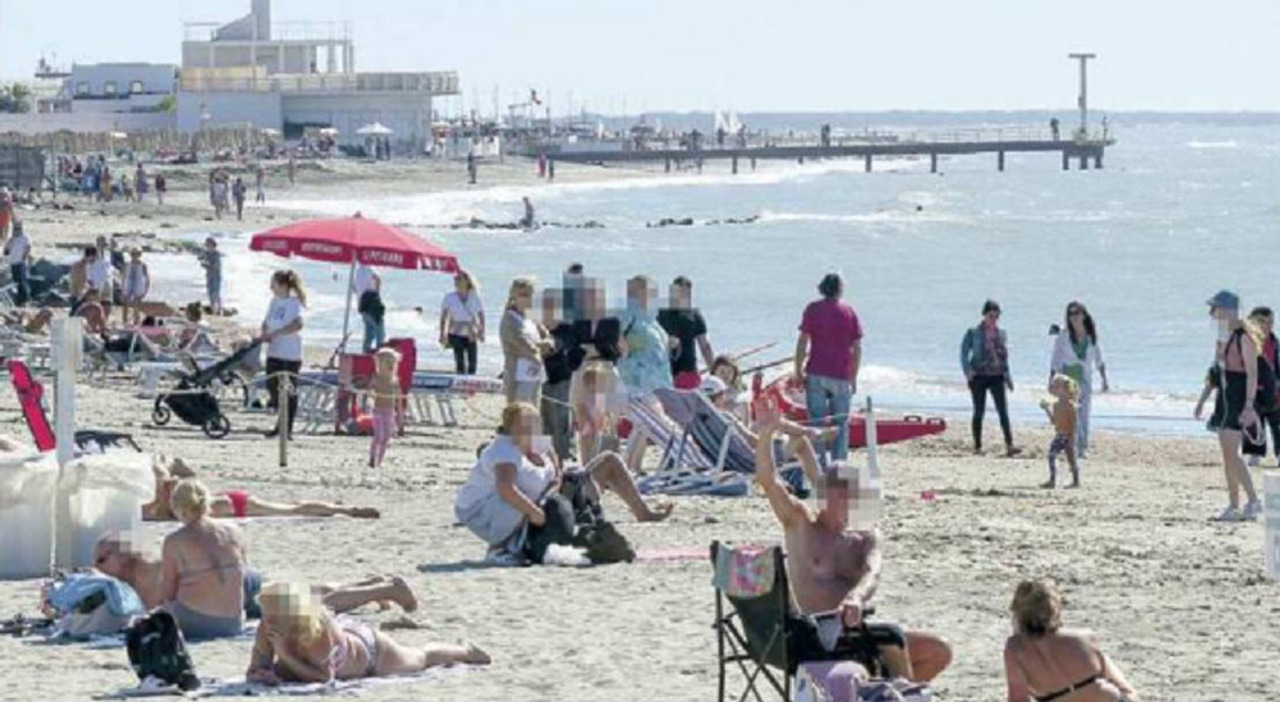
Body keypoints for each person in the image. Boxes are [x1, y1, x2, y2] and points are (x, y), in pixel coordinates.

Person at [753, 405, 952, 683]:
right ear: (823, 494)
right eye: (837, 494)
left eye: (849, 494)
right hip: (816, 637)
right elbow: (768, 480)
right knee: (892, 638)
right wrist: (766, 434)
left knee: (938, 651)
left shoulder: (864, 538)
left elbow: (873, 572)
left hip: (858, 632)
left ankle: (887, 693)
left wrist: (856, 596)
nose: (844, 501)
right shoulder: (801, 523)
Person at [453, 403, 671, 563]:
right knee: (520, 501)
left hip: (547, 497)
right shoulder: (505, 452)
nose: (531, 430)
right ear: (510, 429)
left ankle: (642, 512)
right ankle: (502, 547)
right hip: (490, 510)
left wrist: (557, 481)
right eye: (524, 426)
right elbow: (505, 488)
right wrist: (534, 513)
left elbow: (556, 474)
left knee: (609, 461)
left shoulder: (540, 446)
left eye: (534, 425)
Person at [95, 536, 417, 623]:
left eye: (102, 560)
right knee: (309, 590)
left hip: (233, 590)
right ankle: (368, 585)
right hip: (235, 580)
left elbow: (164, 607)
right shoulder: (141, 569)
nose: (98, 567)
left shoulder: (149, 572)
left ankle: (387, 588)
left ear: (123, 558)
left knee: (312, 604)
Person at [246, 582, 488, 686]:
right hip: (349, 637)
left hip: (373, 652)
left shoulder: (315, 630)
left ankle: (466, 652)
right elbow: (257, 666)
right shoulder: (269, 627)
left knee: (420, 659)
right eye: (266, 613)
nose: (268, 619)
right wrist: (262, 672)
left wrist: (285, 656)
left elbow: (323, 676)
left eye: (273, 614)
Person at [1003, 579, 1139, 702]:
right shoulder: (1085, 638)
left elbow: (1018, 698)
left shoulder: (1015, 648)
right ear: (1055, 610)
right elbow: (1123, 688)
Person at [143, 455, 379, 521]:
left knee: (294, 510)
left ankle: (346, 510)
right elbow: (175, 467)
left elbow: (168, 472)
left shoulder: (163, 508)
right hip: (231, 500)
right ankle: (336, 508)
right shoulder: (173, 500)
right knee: (294, 507)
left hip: (237, 504)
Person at [158, 479, 249, 639]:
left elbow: (168, 592)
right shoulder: (234, 531)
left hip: (195, 621)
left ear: (177, 507)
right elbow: (243, 573)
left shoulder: (174, 541)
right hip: (233, 622)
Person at [1204, 290, 1263, 521]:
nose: (1212, 314)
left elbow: (1252, 373)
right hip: (1225, 397)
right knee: (1228, 454)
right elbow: (1216, 371)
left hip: (1237, 398)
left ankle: (1249, 501)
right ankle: (1237, 504)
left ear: (1228, 310)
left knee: (1231, 454)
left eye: (1216, 309)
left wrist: (1248, 405)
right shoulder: (1223, 336)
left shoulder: (1243, 337)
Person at [794, 273, 862, 462]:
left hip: (816, 370)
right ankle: (839, 465)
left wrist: (797, 370)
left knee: (816, 421)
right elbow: (856, 348)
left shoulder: (813, 309)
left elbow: (802, 342)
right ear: (840, 289)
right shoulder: (848, 312)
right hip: (841, 374)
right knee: (841, 422)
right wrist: (854, 377)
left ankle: (818, 463)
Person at [961, 300, 1021, 457]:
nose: (993, 318)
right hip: (979, 376)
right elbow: (963, 353)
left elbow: (1004, 357)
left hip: (997, 376)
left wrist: (1008, 377)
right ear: (984, 314)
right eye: (990, 315)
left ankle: (1010, 445)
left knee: (1003, 412)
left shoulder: (1001, 333)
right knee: (979, 412)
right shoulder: (973, 332)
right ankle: (978, 447)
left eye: (996, 315)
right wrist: (968, 371)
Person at [1050, 302, 1109, 458]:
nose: (1074, 317)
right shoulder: (1063, 335)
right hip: (1067, 378)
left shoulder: (1091, 335)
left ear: (1083, 315)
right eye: (1071, 314)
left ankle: (1082, 447)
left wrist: (1104, 378)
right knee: (1071, 414)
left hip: (1084, 379)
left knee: (1083, 414)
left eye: (1077, 313)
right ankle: (1072, 446)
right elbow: (1056, 357)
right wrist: (1052, 377)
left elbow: (1099, 357)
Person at [261, 270, 307, 440]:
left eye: (274, 284)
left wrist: (278, 333)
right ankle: (280, 423)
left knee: (288, 390)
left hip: (290, 352)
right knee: (272, 386)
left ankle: (287, 428)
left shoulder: (295, 302)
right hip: (274, 350)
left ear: (283, 285)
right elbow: (266, 321)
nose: (271, 287)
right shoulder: (274, 301)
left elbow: (297, 324)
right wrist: (264, 333)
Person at [500, 277, 551, 405]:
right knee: (520, 412)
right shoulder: (509, 319)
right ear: (514, 296)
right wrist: (538, 347)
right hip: (518, 375)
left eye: (530, 295)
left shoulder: (532, 318)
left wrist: (545, 344)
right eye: (523, 295)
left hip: (535, 373)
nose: (528, 299)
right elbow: (521, 344)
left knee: (534, 410)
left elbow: (548, 338)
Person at [540, 288, 578, 461]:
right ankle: (548, 460)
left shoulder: (567, 328)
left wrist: (545, 345)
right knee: (544, 422)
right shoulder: (538, 328)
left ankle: (565, 458)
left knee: (561, 422)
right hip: (541, 381)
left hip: (562, 380)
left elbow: (558, 344)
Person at [658, 276, 715, 391]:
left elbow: (705, 346)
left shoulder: (695, 315)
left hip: (688, 372)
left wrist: (713, 371)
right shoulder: (659, 314)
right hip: (664, 372)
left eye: (684, 294)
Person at [1242, 306, 1280, 467]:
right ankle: (1254, 453)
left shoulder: (1273, 339)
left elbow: (1276, 363)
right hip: (1252, 385)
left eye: (1271, 321)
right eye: (1264, 322)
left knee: (1276, 420)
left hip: (1272, 384)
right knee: (1254, 420)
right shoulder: (1247, 340)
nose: (1268, 325)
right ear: (1254, 322)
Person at [1039, 374, 1081, 489]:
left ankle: (1075, 481)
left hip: (1067, 435)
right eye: (1053, 386)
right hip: (1060, 434)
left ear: (1066, 389)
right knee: (1054, 455)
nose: (1054, 389)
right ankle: (1053, 479)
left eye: (1057, 386)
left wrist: (1072, 438)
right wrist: (1047, 409)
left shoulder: (1071, 406)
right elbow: (1054, 421)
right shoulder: (1056, 405)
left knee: (1070, 457)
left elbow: (1074, 424)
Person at [439, 270, 485, 375]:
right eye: (456, 279)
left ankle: (471, 380)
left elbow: (481, 314)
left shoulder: (475, 296)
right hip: (455, 331)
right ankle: (460, 378)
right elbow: (444, 316)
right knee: (459, 359)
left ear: (467, 281)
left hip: (471, 332)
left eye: (459, 279)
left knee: (472, 360)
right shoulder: (449, 297)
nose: (456, 282)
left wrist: (482, 331)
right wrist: (442, 334)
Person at [368, 347, 401, 469]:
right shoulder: (376, 378)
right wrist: (371, 394)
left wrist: (400, 418)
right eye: (387, 362)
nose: (390, 365)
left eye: (392, 363)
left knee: (386, 437)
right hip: (378, 411)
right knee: (378, 436)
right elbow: (370, 390)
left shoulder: (394, 380)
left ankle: (379, 461)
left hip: (390, 412)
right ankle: (372, 457)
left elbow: (398, 399)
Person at [3, 220, 31, 307]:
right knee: (16, 282)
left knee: (22, 282)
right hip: (13, 262)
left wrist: (24, 258)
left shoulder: (25, 238)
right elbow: (6, 251)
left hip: (21, 263)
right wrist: (10, 242)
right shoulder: (12, 239)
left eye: (18, 228)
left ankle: (26, 300)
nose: (17, 230)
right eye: (15, 228)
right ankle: (19, 300)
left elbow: (28, 247)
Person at [120, 248, 150, 327]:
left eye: (136, 254)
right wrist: (122, 287)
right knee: (125, 304)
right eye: (133, 254)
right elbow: (123, 276)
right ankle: (125, 321)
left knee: (136, 305)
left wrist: (146, 289)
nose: (134, 256)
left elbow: (147, 278)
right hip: (128, 283)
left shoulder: (143, 265)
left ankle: (136, 322)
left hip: (138, 284)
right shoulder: (127, 264)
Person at [358, 275, 386, 353]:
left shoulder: (357, 274)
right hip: (372, 306)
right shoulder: (370, 271)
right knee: (380, 334)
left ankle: (365, 354)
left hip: (363, 306)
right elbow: (378, 279)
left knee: (369, 335)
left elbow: (354, 288)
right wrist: (377, 290)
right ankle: (380, 355)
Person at [199, 237, 223, 316]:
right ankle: (214, 310)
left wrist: (206, 264)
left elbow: (216, 266)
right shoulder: (206, 252)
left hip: (216, 275)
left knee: (216, 293)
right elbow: (199, 258)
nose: (207, 246)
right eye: (206, 244)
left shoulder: (216, 254)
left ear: (212, 245)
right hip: (209, 275)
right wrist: (202, 258)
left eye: (208, 244)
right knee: (210, 292)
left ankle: (219, 309)